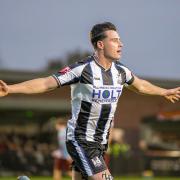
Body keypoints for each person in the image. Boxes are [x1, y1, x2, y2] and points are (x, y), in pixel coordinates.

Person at [0, 22, 179, 180]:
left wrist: (164, 91)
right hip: (81, 140)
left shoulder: (121, 72)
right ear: (100, 44)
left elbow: (140, 85)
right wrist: (11, 89)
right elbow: (46, 83)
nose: (121, 44)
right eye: (115, 40)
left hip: (100, 144)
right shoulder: (82, 69)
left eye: (120, 40)